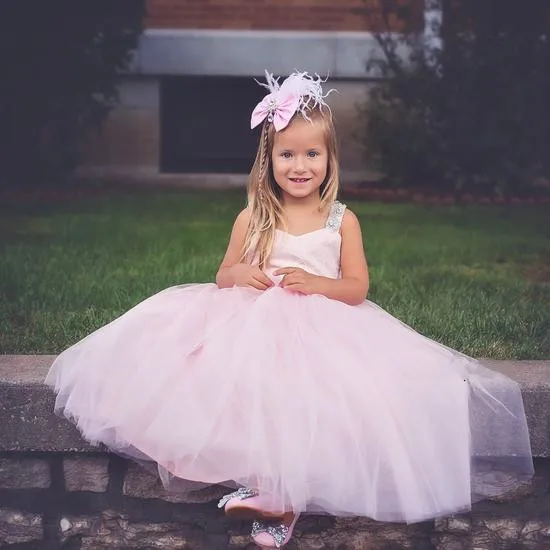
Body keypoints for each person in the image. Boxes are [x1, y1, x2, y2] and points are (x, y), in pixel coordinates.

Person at [46, 71, 533, 549]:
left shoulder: (342, 219)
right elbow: (224, 272)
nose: (300, 166)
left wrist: (319, 283)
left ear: (329, 158)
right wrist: (240, 276)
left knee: (312, 401)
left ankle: (280, 499)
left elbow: (357, 287)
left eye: (312, 154)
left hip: (323, 324)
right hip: (253, 320)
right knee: (245, 389)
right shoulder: (254, 214)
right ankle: (271, 492)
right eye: (287, 154)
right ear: (268, 159)